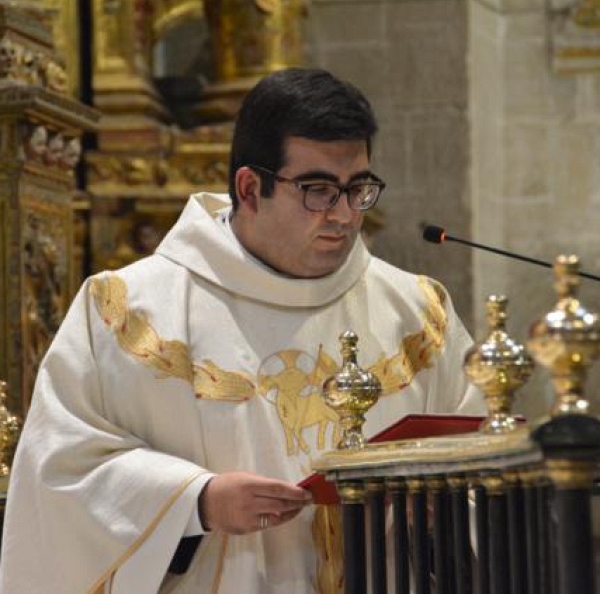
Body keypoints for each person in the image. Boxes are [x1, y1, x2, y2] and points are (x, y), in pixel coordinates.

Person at [0, 68, 485, 593]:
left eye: (359, 189)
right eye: (319, 190)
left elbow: (481, 463)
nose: (345, 215)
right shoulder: (129, 311)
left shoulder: (416, 313)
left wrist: (446, 506)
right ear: (251, 188)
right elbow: (60, 475)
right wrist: (196, 502)